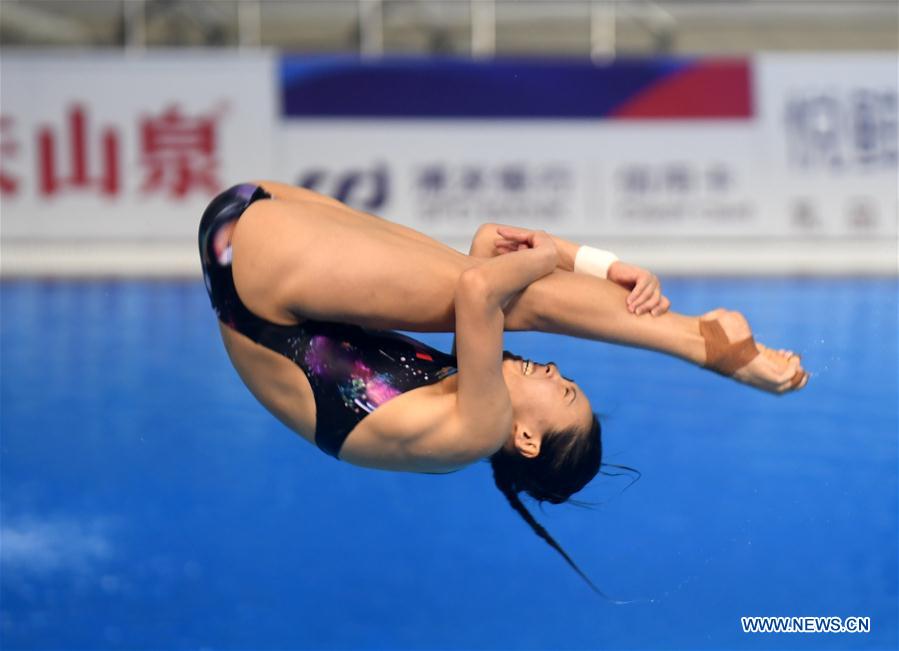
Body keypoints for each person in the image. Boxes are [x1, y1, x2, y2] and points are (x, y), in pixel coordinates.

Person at [198, 181, 808, 596]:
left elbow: (484, 290)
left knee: (510, 294)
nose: (554, 371)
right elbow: (491, 240)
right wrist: (593, 264)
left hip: (258, 271)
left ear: (525, 438)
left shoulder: (476, 429)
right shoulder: (469, 399)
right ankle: (702, 339)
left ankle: (704, 344)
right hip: (258, 238)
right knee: (503, 285)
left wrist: (560, 259)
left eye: (563, 391)